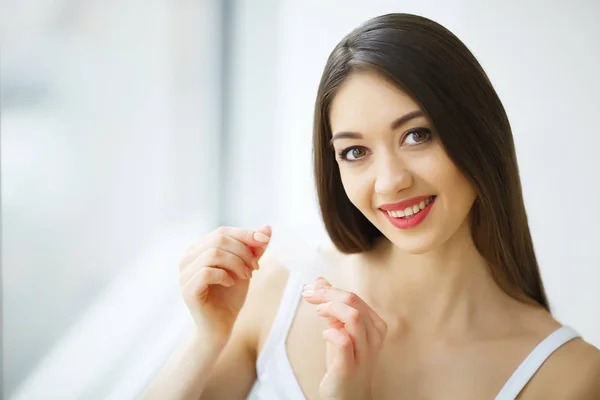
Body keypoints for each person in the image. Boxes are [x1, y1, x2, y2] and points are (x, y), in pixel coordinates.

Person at [140, 13, 600, 400]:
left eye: (417, 135)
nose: (391, 181)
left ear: (478, 132)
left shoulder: (569, 376)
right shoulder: (277, 293)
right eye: (355, 152)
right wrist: (206, 339)